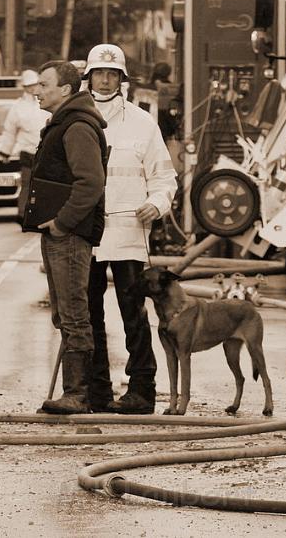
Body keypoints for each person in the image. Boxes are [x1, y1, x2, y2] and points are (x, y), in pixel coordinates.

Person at [82, 44, 177, 414]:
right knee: (88, 315)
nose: (105, 79)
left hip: (128, 233)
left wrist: (158, 202)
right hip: (85, 234)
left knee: (133, 313)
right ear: (88, 77)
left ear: (122, 79)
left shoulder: (142, 122)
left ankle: (142, 391)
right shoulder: (73, 118)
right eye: (99, 73)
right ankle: (96, 392)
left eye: (112, 74)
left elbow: (165, 177)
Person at [30, 60, 108, 414]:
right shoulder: (63, 123)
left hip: (70, 236)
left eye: (44, 84)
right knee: (65, 312)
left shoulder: (76, 127)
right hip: (63, 233)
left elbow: (90, 181)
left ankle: (77, 393)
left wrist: (63, 223)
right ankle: (74, 391)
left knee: (75, 313)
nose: (37, 90)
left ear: (65, 89)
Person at [0, 69, 49, 222]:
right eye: (29, 86)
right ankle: (23, 215)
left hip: (46, 152)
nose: (32, 88)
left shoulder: (46, 101)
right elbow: (10, 130)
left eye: (34, 85)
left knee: (45, 186)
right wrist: (5, 152)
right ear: (24, 87)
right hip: (27, 152)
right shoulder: (18, 107)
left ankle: (42, 214)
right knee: (27, 185)